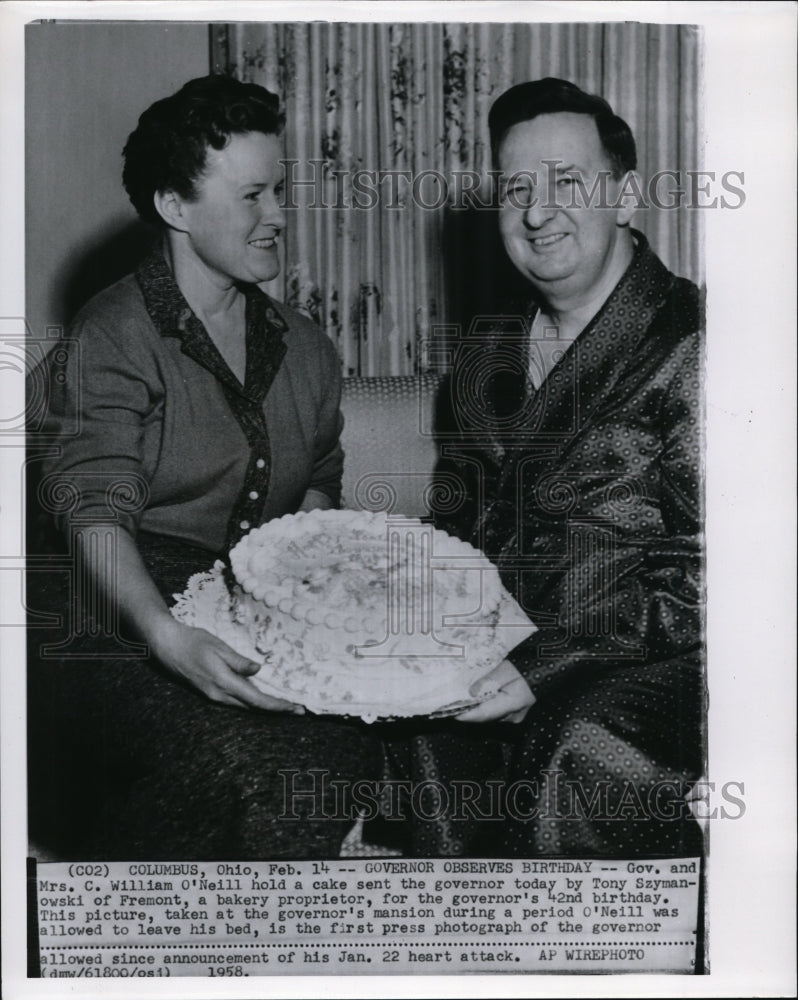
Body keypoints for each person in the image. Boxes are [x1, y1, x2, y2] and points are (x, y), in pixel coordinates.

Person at [27, 75, 380, 860]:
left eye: (280, 190)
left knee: (356, 750)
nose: (279, 216)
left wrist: (312, 577)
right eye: (252, 195)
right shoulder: (114, 333)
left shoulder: (308, 347)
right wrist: (166, 634)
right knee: (233, 759)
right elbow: (93, 505)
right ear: (174, 207)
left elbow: (320, 476)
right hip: (104, 613)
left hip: (241, 601)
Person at [384, 78, 705, 857]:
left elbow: (708, 578)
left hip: (657, 662)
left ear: (625, 196)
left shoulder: (698, 343)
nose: (536, 211)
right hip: (502, 656)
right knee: (421, 729)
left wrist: (542, 668)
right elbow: (457, 530)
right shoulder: (486, 355)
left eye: (568, 181)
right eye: (516, 188)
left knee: (574, 751)